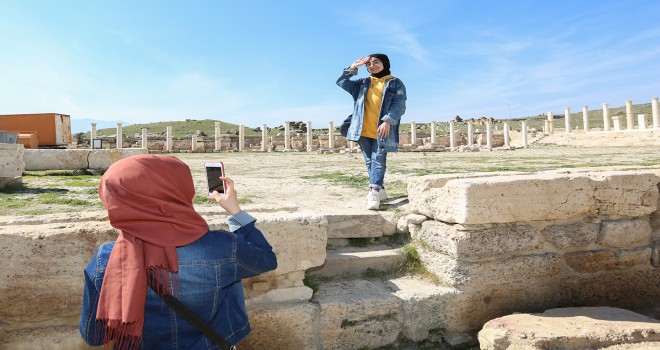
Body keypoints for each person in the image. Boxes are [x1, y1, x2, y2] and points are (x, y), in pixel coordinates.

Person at [79, 154, 277, 349]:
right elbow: (266, 259)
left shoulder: (106, 258)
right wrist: (236, 211)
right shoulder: (223, 247)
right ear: (179, 190)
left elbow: (93, 336)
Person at [336, 53, 407, 210]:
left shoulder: (394, 82)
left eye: (376, 62)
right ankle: (380, 189)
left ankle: (373, 191)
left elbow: (399, 104)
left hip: (382, 129)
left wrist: (388, 121)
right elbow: (342, 82)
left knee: (378, 159)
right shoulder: (363, 83)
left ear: (385, 63)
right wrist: (352, 68)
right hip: (362, 128)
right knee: (370, 161)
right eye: (368, 64)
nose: (372, 66)